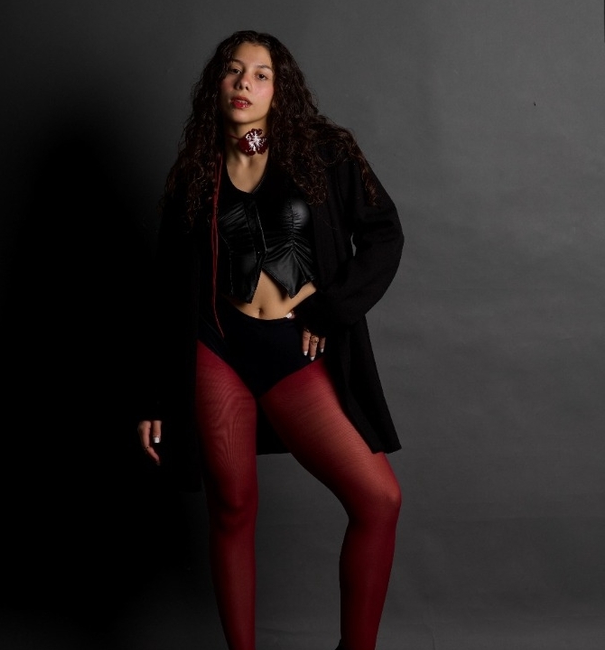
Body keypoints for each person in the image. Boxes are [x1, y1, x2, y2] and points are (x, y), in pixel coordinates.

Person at [136, 29, 405, 650]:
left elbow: (384, 235)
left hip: (290, 347)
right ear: (217, 85)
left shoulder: (324, 154)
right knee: (232, 508)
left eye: (261, 74)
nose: (244, 83)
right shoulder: (196, 172)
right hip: (218, 347)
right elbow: (164, 289)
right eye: (233, 71)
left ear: (280, 91)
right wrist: (154, 397)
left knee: (379, 500)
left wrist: (331, 312)